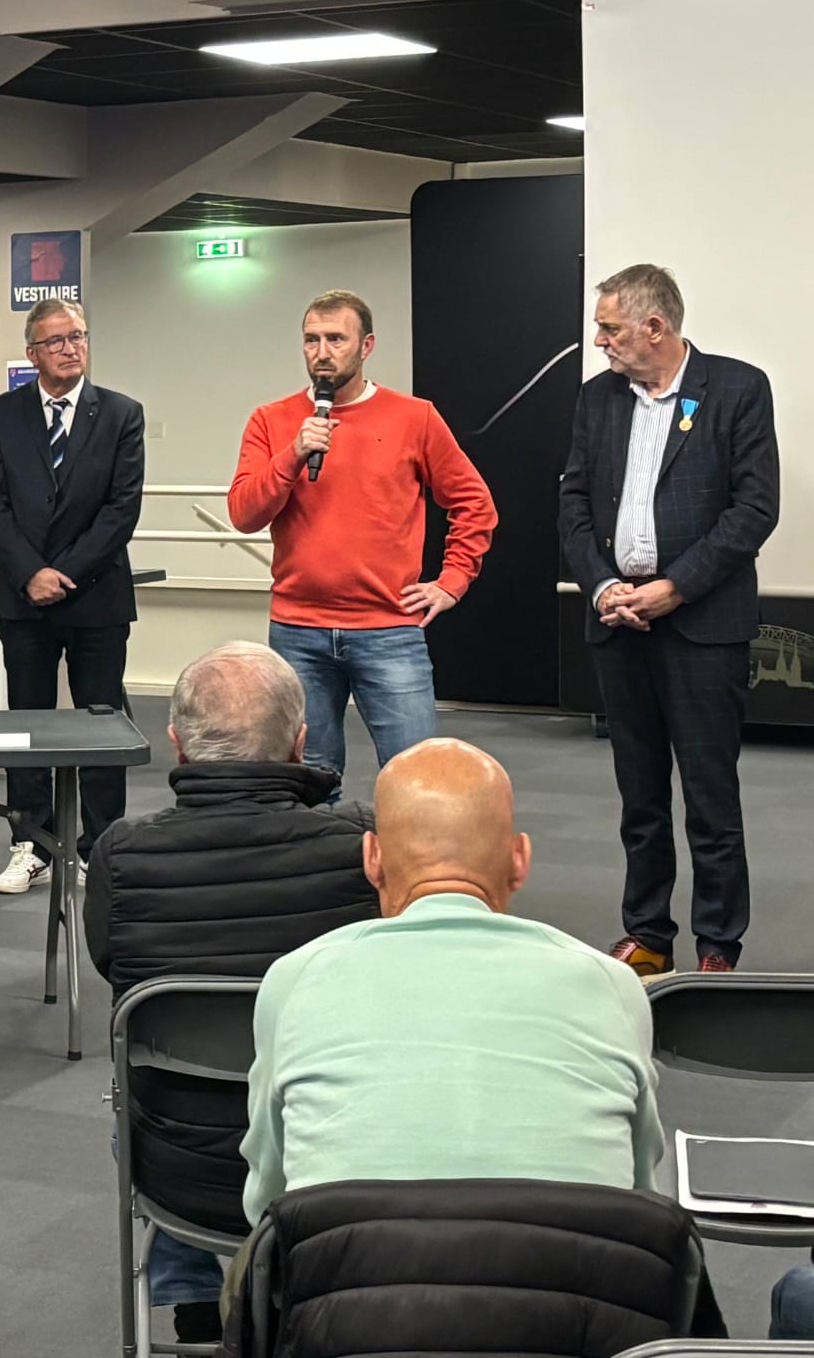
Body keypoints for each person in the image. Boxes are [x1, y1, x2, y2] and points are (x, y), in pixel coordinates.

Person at [241, 737, 662, 1228]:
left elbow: (267, 1199)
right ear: (520, 859)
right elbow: (637, 1189)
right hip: (577, 1296)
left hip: (344, 1295)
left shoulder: (294, 979)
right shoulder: (613, 985)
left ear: (371, 859)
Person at [83, 641, 376, 1343]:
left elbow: (110, 962)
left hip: (176, 1169)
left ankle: (194, 1308)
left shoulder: (120, 853)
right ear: (302, 743)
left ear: (177, 745)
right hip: (329, 1166)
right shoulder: (364, 846)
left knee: (171, 1074)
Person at [559, 264, 779, 975]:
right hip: (618, 623)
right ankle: (648, 931)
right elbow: (573, 504)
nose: (600, 341)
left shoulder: (737, 389)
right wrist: (601, 588)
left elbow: (754, 510)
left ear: (655, 328)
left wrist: (675, 588)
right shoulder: (598, 400)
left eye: (611, 328)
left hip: (702, 624)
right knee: (639, 794)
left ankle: (718, 945)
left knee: (711, 797)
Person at [227, 290, 496, 788]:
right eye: (311, 340)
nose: (322, 352)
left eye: (335, 339)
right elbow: (244, 513)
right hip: (298, 631)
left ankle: (409, 868)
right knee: (307, 784)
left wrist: (452, 580)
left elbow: (474, 504)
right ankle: (317, 869)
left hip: (389, 629)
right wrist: (292, 455)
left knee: (416, 781)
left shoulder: (415, 417)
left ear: (366, 345)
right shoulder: (272, 420)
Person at [0, 296, 145, 893]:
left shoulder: (121, 413)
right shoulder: (2, 413)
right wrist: (30, 572)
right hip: (22, 597)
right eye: (56, 340)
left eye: (78, 336)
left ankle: (102, 845)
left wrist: (63, 572)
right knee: (28, 722)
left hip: (95, 594)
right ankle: (32, 843)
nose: (70, 347)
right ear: (32, 353)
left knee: (101, 720)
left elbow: (121, 509)